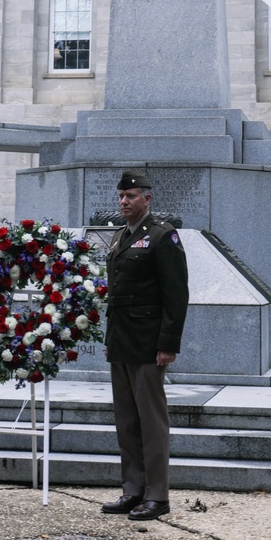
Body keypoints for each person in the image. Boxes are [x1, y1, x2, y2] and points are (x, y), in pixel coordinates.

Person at [101, 169, 189, 521]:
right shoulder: (121, 237)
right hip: (122, 341)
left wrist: (168, 344)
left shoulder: (162, 237)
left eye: (131, 196)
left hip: (150, 344)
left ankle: (157, 495)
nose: (124, 202)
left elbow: (177, 295)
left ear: (147, 199)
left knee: (151, 422)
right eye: (121, 196)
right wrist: (110, 340)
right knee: (127, 421)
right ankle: (133, 489)